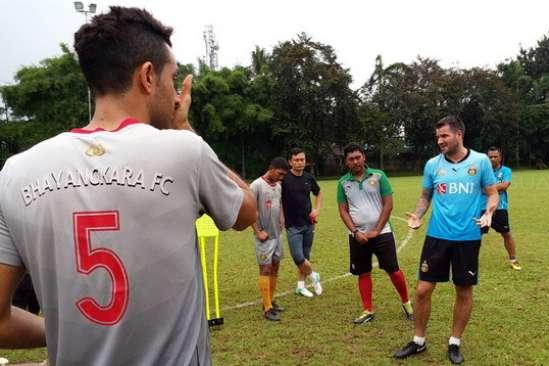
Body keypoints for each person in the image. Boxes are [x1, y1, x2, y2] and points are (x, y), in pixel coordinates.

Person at [0, 7, 257, 365]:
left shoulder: (16, 172)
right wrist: (184, 128)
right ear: (148, 76)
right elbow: (247, 211)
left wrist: (63, 330)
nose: (175, 92)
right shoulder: (184, 151)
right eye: (172, 77)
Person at [394, 116, 498, 364]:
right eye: (438, 137)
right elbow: (425, 196)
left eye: (444, 136)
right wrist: (418, 215)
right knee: (422, 289)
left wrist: (489, 213)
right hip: (436, 236)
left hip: (468, 237)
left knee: (463, 289)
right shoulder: (432, 165)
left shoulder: (481, 161)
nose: (439, 140)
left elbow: (492, 194)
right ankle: (418, 341)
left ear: (459, 134)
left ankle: (455, 342)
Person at [337, 143, 413, 325]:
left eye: (358, 157)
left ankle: (407, 303)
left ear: (363, 157)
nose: (355, 161)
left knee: (393, 270)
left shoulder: (379, 176)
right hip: (357, 236)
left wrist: (377, 230)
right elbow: (343, 211)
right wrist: (355, 232)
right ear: (346, 162)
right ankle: (368, 309)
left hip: (382, 233)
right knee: (363, 272)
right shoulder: (342, 183)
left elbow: (388, 204)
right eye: (351, 159)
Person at [250, 157, 289, 321]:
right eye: (279, 173)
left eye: (283, 175)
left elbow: (279, 204)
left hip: (277, 234)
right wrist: (258, 231)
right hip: (264, 237)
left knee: (275, 267)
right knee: (265, 269)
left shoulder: (278, 186)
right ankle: (267, 308)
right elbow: (249, 210)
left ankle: (271, 301)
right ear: (271, 168)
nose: (281, 177)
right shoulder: (256, 185)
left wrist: (282, 218)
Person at [281, 148, 323, 298]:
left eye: (302, 160)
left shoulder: (309, 178)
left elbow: (318, 193)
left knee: (305, 255)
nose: (300, 163)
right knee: (298, 257)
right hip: (292, 225)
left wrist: (317, 209)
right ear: (290, 162)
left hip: (309, 224)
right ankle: (313, 275)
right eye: (296, 160)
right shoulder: (284, 179)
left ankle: (300, 286)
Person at [483, 147, 522, 270]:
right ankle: (468, 261)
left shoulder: (506, 171)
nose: (493, 158)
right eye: (490, 156)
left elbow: (505, 185)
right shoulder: (482, 171)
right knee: (473, 235)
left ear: (500, 157)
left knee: (506, 234)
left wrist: (487, 188)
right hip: (482, 208)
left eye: (495, 156)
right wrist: (495, 187)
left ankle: (513, 259)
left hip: (500, 208)